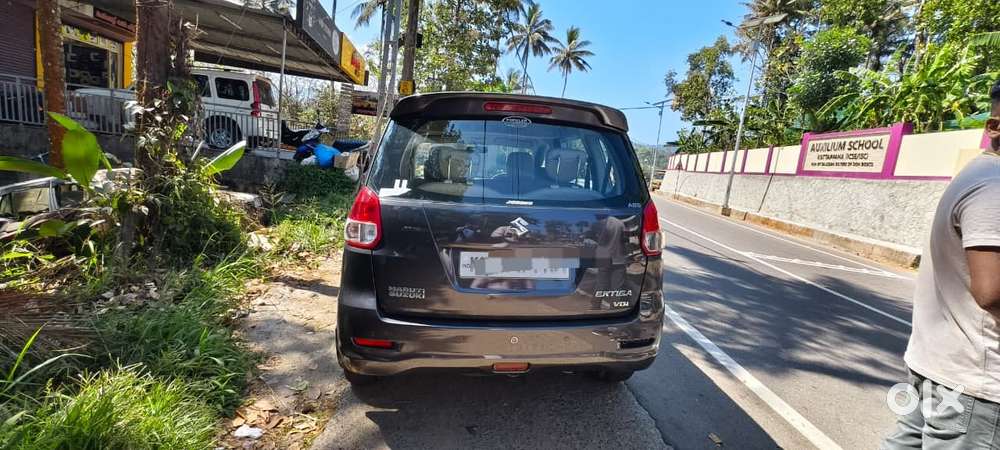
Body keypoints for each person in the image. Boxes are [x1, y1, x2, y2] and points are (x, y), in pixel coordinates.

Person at [882, 79, 1000, 449]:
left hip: (941, 367)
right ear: (995, 126)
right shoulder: (993, 188)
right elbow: (991, 291)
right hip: (975, 384)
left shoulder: (977, 175)